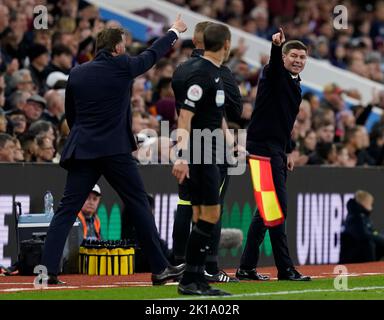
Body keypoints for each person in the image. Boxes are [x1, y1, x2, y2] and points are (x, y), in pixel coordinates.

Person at [40, 16, 187, 285]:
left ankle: (47, 272)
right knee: (139, 204)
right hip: (115, 151)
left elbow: (71, 116)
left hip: (83, 149)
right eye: (125, 45)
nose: (126, 49)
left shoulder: (77, 72)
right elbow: (153, 54)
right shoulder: (122, 66)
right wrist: (175, 31)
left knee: (66, 209)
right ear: (117, 48)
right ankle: (159, 269)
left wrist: (85, 137)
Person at [237, 28, 311, 281]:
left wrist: (288, 149)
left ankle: (246, 267)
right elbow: (275, 69)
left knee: (267, 210)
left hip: (276, 149)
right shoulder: (273, 72)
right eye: (293, 56)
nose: (298, 60)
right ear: (283, 57)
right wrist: (276, 47)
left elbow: (284, 121)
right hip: (262, 150)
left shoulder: (295, 84)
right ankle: (285, 268)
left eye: (302, 57)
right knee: (276, 208)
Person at [171, 21, 241, 284]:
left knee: (203, 215)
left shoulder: (213, 72)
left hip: (210, 150)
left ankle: (194, 278)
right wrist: (181, 155)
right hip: (200, 153)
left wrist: (231, 143)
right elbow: (185, 117)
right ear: (226, 44)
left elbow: (216, 115)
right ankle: (192, 278)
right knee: (208, 215)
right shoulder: (202, 74)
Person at [340, 190, 384, 263]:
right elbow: (365, 235)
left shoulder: (362, 217)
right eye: (370, 203)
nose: (371, 207)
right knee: (369, 243)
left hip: (358, 255)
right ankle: (370, 267)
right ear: (364, 203)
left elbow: (372, 233)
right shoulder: (355, 218)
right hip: (351, 260)